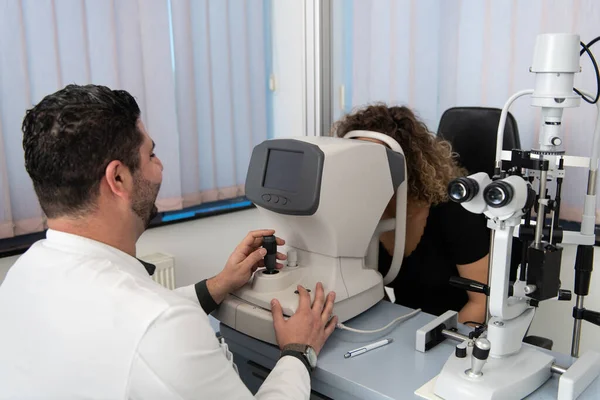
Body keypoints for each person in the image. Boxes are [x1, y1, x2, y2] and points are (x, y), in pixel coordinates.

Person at [0, 84, 338, 399]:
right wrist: (298, 351)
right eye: (151, 155)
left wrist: (217, 286)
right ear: (118, 178)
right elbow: (152, 327)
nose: (159, 166)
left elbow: (124, 325)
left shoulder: (23, 274)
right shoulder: (163, 326)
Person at [332, 104, 489, 324]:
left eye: (374, 160)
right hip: (406, 328)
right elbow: (370, 290)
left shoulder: (455, 212)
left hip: (456, 333)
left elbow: (482, 304)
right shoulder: (363, 213)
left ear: (408, 163)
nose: (364, 171)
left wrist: (436, 347)